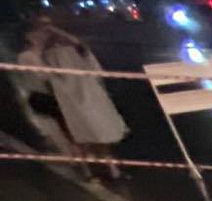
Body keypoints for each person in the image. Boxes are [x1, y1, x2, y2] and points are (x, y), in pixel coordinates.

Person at [15, 16, 129, 179]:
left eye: (49, 26)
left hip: (84, 95)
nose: (47, 31)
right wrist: (40, 45)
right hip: (62, 99)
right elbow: (42, 76)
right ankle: (87, 171)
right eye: (42, 27)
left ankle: (112, 170)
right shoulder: (32, 55)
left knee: (98, 132)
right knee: (77, 135)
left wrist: (61, 36)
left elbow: (84, 53)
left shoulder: (67, 46)